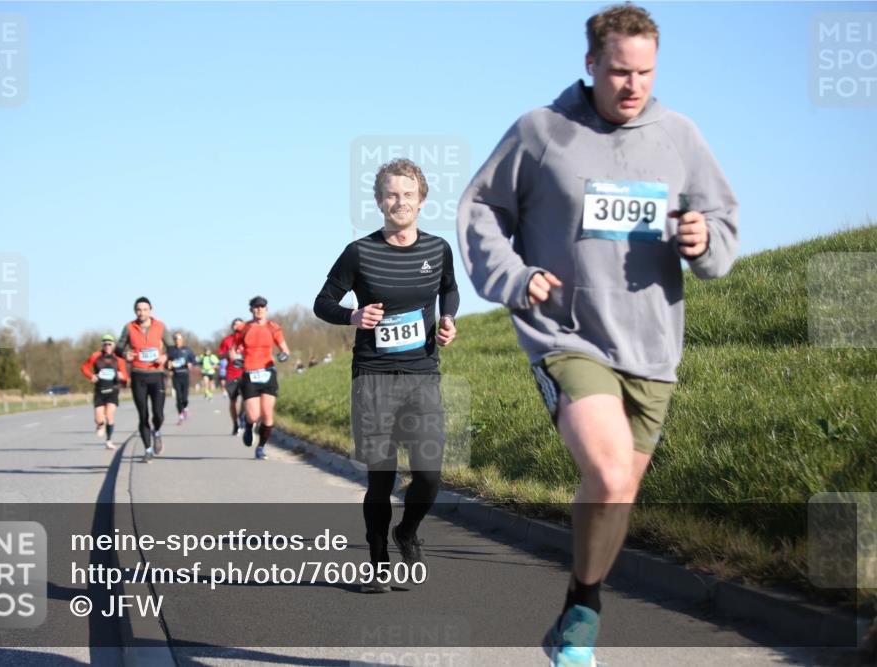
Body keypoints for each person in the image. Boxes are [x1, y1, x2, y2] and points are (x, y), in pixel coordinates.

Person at [456, 5, 739, 664]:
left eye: (644, 72)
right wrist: (513, 275)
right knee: (608, 472)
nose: (632, 85)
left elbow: (721, 230)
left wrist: (703, 240)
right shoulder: (542, 131)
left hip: (652, 345)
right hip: (567, 333)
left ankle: (579, 603)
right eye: (618, 71)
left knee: (618, 496)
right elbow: (482, 210)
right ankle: (584, 622)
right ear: (590, 64)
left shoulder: (680, 137)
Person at [314, 158, 459, 594]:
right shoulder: (360, 251)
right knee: (382, 475)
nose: (400, 201)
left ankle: (407, 530)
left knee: (430, 472)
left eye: (408, 194)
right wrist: (353, 314)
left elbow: (448, 287)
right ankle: (377, 565)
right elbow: (323, 302)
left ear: (422, 200)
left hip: (422, 375)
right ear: (380, 201)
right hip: (373, 377)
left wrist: (448, 317)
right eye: (392, 194)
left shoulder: (437, 249)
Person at [231, 297, 290, 460]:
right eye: (256, 307)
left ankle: (261, 447)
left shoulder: (274, 328)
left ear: (266, 309)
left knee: (267, 415)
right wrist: (235, 358)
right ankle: (249, 426)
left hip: (268, 372)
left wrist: (284, 355)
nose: (259, 309)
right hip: (250, 373)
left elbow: (285, 348)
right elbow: (233, 350)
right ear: (251, 310)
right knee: (253, 415)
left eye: (262, 307)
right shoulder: (243, 328)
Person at [115, 297, 171, 463]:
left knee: (158, 414)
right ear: (135, 311)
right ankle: (148, 450)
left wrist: (165, 356)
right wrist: (125, 354)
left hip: (156, 374)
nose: (142, 312)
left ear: (150, 310)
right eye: (139, 310)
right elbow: (119, 348)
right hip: (138, 374)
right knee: (143, 415)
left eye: (145, 309)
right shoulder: (129, 327)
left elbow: (172, 347)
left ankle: (157, 432)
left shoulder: (160, 326)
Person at [80, 334, 128, 450]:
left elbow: (125, 376)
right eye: (105, 344)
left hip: (113, 390)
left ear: (113, 345)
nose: (107, 346)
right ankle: (100, 425)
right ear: (102, 345)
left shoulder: (118, 359)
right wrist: (91, 376)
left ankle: (109, 440)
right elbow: (84, 367)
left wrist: (122, 377)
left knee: (110, 416)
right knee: (99, 418)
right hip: (99, 390)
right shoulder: (95, 356)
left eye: (109, 344)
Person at [217, 318, 246, 435]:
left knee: (246, 398)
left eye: (240, 325)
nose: (237, 326)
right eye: (235, 324)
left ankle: (242, 416)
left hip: (245, 373)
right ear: (232, 327)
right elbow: (220, 356)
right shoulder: (227, 340)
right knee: (233, 401)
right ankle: (235, 423)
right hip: (231, 374)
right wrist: (227, 353)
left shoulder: (247, 339)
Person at [167, 332, 197, 424]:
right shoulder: (171, 350)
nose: (177, 340)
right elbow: (167, 362)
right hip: (176, 376)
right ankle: (181, 416)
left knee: (184, 398)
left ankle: (185, 408)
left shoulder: (187, 350)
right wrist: (169, 367)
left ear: (182, 340)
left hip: (185, 375)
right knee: (178, 397)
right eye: (175, 338)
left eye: (179, 338)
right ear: (174, 340)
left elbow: (194, 361)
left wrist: (190, 364)